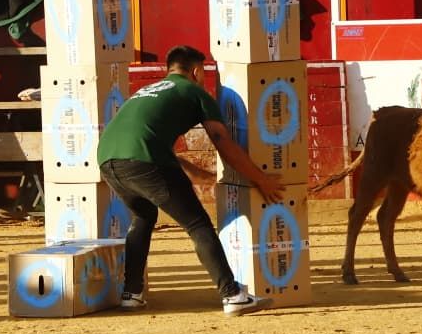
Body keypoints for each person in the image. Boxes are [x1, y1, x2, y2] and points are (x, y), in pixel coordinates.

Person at [96, 44, 284, 315]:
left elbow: (151, 145)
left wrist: (202, 176)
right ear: (196, 71)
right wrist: (261, 179)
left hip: (108, 161)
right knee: (197, 224)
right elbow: (222, 141)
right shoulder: (194, 92)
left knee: (143, 216)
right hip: (144, 160)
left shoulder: (147, 91)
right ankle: (233, 295)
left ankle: (131, 293)